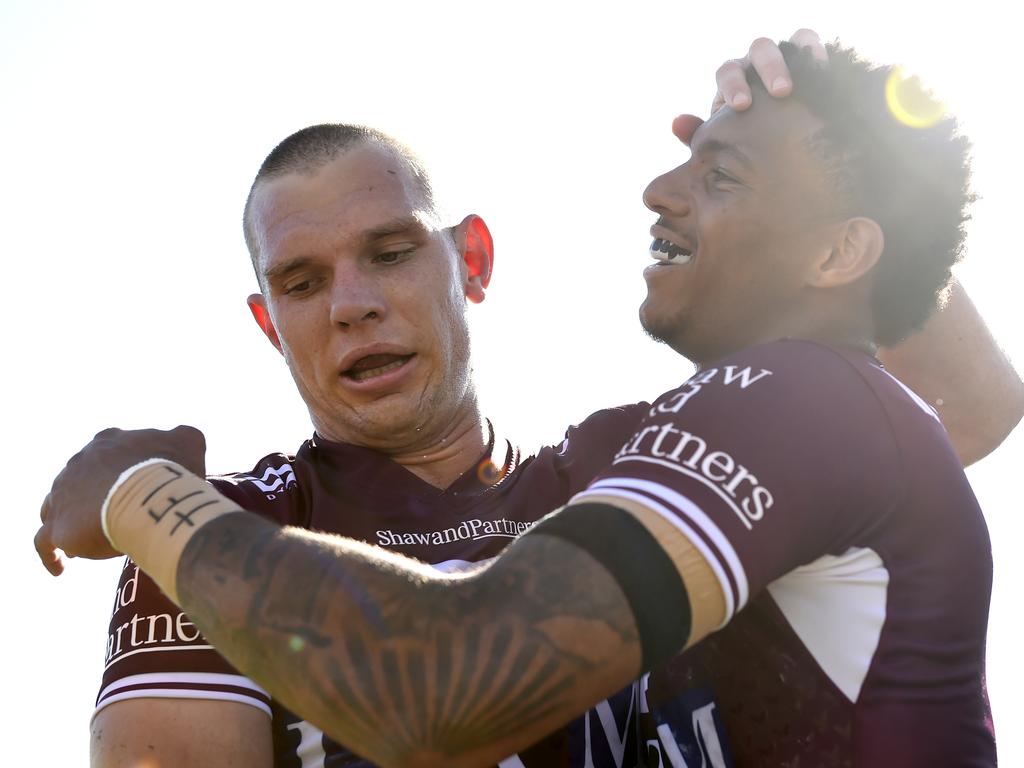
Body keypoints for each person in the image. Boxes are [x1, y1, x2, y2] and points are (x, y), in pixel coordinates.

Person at [38, 38, 1020, 768]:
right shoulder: (223, 533)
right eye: (301, 283)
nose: (352, 305)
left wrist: (848, 152)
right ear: (268, 321)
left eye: (389, 253)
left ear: (470, 261)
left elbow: (949, 405)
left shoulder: (629, 464)